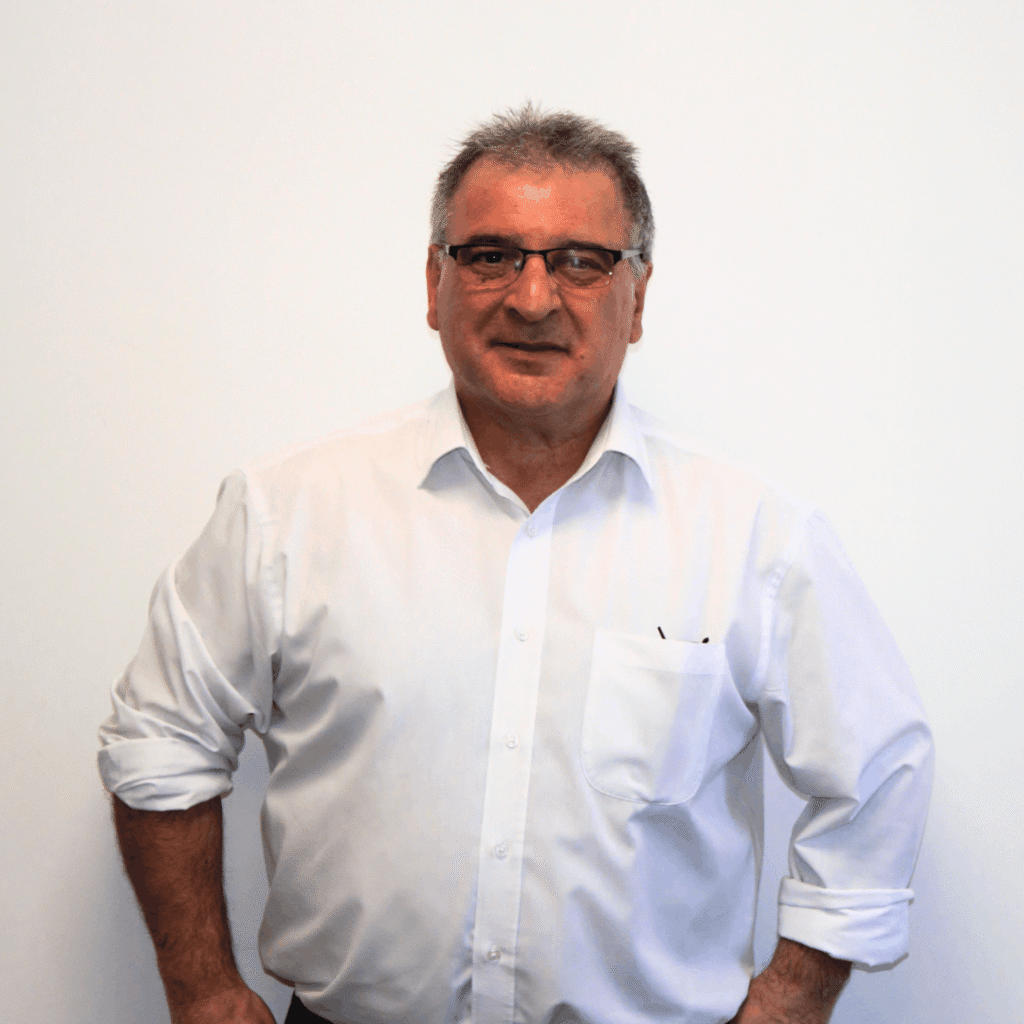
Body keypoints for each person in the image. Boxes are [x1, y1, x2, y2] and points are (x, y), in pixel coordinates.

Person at [99, 104, 934, 1024]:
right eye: (491, 255)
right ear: (433, 283)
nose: (532, 298)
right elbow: (158, 740)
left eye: (581, 261)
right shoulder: (284, 510)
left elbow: (879, 773)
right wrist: (204, 991)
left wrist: (790, 1003)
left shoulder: (755, 537)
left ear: (639, 296)